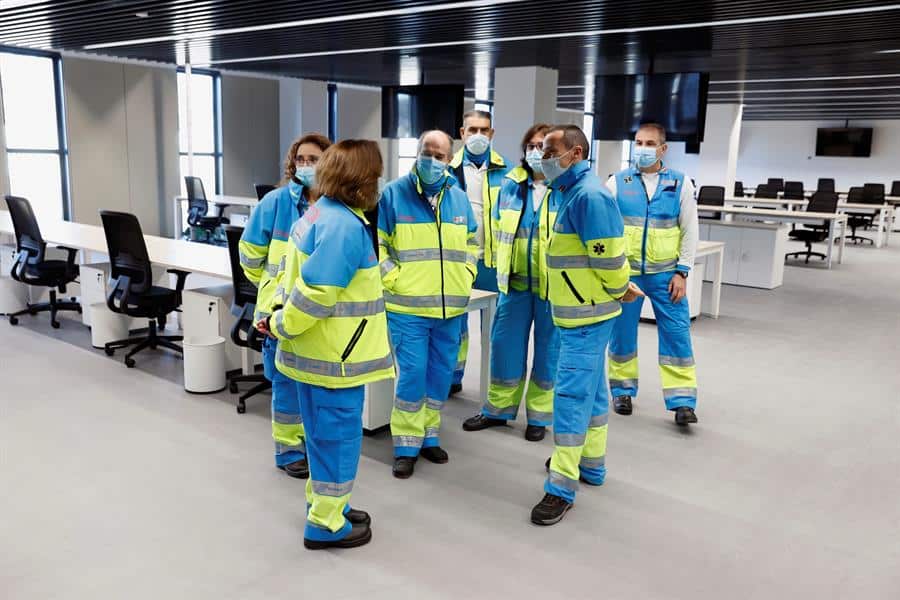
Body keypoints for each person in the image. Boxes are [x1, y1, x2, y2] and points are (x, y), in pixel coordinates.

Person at [259, 139, 394, 550]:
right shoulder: (345, 228)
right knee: (335, 439)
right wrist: (282, 324)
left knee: (320, 437)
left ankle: (326, 504)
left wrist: (280, 322)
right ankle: (326, 523)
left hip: (317, 353)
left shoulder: (322, 212)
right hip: (333, 358)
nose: (378, 183)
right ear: (360, 179)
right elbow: (316, 293)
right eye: (374, 174)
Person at [530, 125, 643, 526]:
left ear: (574, 154)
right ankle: (591, 465)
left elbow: (610, 258)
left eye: (549, 150)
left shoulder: (589, 196)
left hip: (587, 316)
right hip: (579, 313)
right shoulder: (566, 193)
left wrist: (618, 289)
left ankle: (560, 486)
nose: (542, 157)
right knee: (593, 393)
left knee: (571, 399)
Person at [378, 129, 478, 479]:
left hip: (450, 309)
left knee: (439, 376)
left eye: (440, 155)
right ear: (416, 153)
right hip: (407, 309)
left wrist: (466, 274)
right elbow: (378, 247)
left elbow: (472, 244)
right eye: (427, 152)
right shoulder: (393, 194)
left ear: (450, 159)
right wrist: (395, 280)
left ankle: (429, 434)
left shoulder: (459, 198)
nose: (432, 159)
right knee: (412, 376)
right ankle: (406, 445)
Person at [239, 133, 331, 478]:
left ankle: (310, 444)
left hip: (315, 312)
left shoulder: (333, 205)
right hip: (278, 311)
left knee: (314, 385)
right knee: (286, 386)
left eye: (314, 159)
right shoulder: (275, 203)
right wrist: (269, 284)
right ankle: (288, 450)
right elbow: (249, 254)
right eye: (301, 159)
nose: (306, 165)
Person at [462, 123, 559, 442]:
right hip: (513, 284)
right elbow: (496, 232)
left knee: (549, 352)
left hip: (552, 287)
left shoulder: (565, 188)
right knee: (504, 347)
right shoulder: (511, 184)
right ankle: (498, 410)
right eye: (531, 145)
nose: (536, 151)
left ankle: (539, 417)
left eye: (542, 145)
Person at [606, 122, 700, 426]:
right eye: (638, 142)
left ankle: (682, 401)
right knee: (621, 335)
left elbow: (689, 230)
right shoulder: (617, 182)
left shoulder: (681, 183)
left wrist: (683, 272)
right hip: (627, 274)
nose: (642, 148)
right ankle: (622, 391)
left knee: (676, 336)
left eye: (649, 143)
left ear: (663, 148)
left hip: (666, 275)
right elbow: (606, 228)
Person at [447, 109, 510, 394]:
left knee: (497, 329)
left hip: (492, 261)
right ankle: (452, 377)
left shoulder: (508, 172)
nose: (478, 136)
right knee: (454, 323)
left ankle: (494, 386)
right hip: (457, 260)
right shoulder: (446, 170)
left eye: (484, 131)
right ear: (462, 133)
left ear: (492, 134)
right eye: (472, 130)